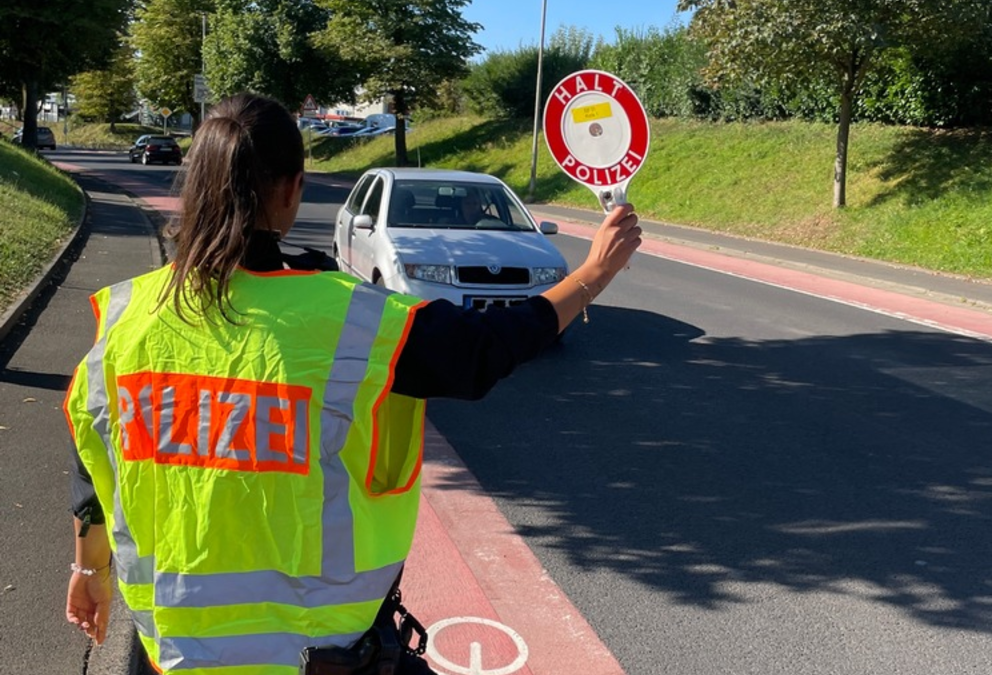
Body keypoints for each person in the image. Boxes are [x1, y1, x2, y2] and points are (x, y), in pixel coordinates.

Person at [62, 92, 640, 673]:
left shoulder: (125, 318)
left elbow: (92, 458)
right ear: (292, 189)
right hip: (320, 657)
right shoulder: (357, 322)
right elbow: (485, 350)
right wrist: (594, 273)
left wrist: (90, 572)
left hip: (172, 655)